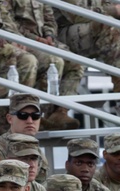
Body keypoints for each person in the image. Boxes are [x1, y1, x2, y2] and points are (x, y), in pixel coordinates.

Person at [11, 0, 83, 130]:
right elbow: (9, 21)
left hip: (45, 40)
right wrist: (36, 39)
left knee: (76, 63)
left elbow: (49, 18)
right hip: (24, 40)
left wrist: (49, 35)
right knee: (53, 61)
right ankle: (41, 114)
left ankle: (60, 111)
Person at [56, 0, 120, 92]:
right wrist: (115, 10)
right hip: (66, 36)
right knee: (107, 22)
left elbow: (108, 5)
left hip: (92, 31)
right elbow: (77, 15)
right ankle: (119, 80)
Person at [0, 94, 49, 185]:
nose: (30, 121)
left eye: (35, 115)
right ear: (10, 119)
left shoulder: (38, 151)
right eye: (23, 115)